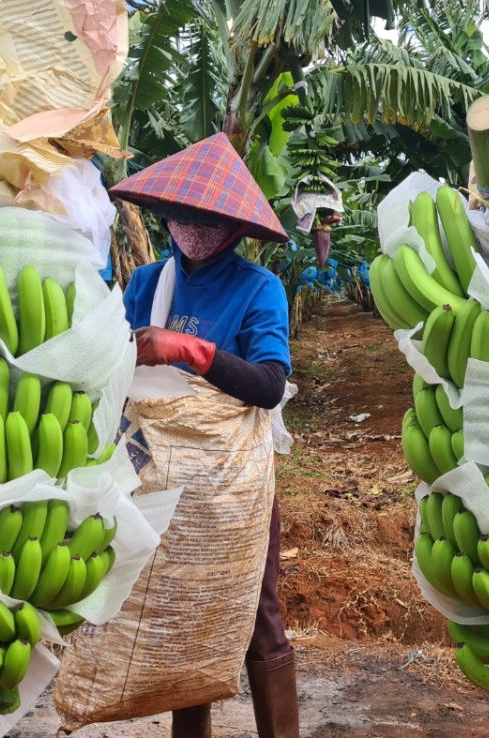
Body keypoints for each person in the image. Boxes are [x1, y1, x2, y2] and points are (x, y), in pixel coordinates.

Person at [110, 133, 299, 738]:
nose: (191, 228)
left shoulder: (257, 289)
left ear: (234, 226)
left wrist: (187, 349)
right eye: (181, 215)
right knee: (184, 615)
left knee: (258, 616)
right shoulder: (145, 285)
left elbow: (268, 385)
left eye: (206, 219)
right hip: (159, 478)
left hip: (233, 485)